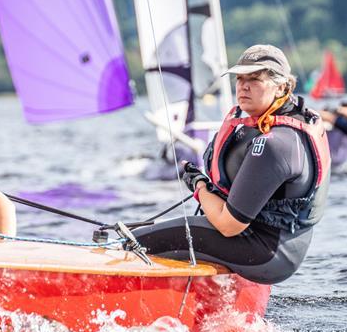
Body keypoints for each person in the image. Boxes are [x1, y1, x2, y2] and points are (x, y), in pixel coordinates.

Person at [133, 45, 330, 285]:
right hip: (274, 243)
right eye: (240, 78)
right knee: (158, 230)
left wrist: (199, 186)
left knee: (134, 241)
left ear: (282, 87)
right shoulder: (262, 123)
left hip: (266, 253)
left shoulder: (276, 143)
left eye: (255, 79)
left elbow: (229, 225)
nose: (243, 86)